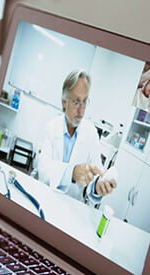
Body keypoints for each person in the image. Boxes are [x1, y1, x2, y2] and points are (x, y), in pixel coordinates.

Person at [34, 70, 118, 202]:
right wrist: (71, 173)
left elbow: (96, 173)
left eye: (85, 102)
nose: (81, 110)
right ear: (64, 102)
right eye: (76, 102)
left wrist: (98, 186)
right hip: (45, 198)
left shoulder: (91, 134)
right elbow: (43, 168)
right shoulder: (50, 128)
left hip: (72, 205)